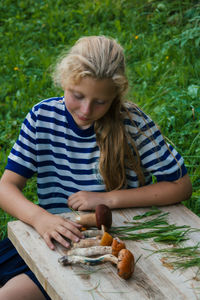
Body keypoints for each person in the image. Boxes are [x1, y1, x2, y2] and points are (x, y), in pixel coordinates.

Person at [0, 35, 192, 299]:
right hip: (53, 236)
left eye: (100, 101)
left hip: (110, 246)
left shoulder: (133, 124)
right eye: (77, 96)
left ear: (116, 94)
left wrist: (107, 199)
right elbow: (6, 187)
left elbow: (181, 186)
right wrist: (40, 219)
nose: (86, 110)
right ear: (64, 81)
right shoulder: (42, 118)